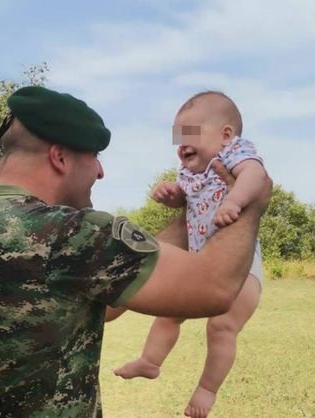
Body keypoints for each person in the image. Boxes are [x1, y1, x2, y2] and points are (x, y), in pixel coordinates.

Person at [0, 86, 271, 417]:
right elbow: (213, 287)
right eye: (94, 157)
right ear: (60, 157)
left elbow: (106, 304)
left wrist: (193, 212)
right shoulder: (64, 232)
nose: (100, 171)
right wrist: (250, 203)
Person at [114, 91, 268, 418]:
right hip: (202, 257)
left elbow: (257, 177)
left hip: (242, 265)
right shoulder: (191, 172)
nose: (181, 145)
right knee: (170, 310)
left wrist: (235, 201)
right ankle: (150, 361)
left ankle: (207, 389)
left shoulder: (234, 153)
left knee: (221, 326)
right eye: (178, 137)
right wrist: (173, 197)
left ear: (226, 135)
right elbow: (189, 204)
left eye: (190, 134)